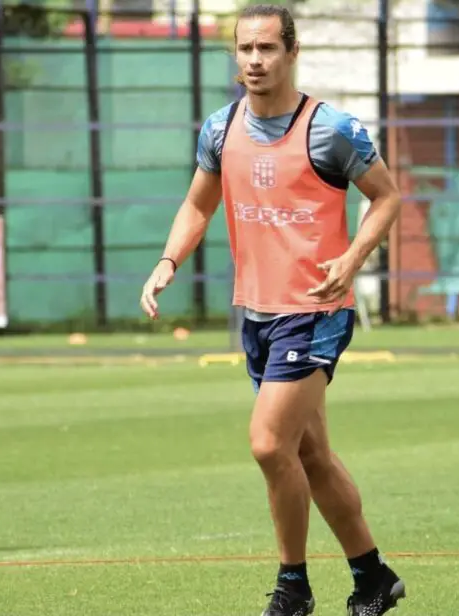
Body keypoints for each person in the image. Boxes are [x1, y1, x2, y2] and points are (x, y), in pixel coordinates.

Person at [140, 5, 406, 615]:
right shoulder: (220, 128)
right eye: (245, 49)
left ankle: (293, 588)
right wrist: (167, 262)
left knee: (267, 444)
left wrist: (353, 257)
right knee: (308, 453)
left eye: (266, 49)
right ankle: (373, 578)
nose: (254, 60)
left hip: (316, 312)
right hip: (257, 313)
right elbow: (198, 206)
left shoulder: (329, 129)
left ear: (291, 52)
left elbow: (387, 199)